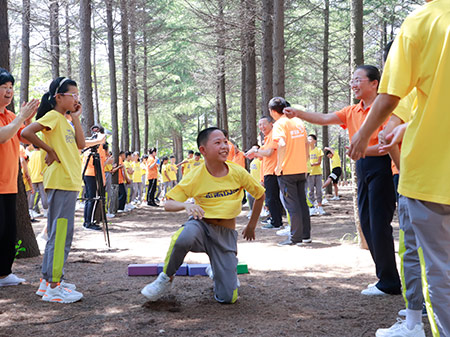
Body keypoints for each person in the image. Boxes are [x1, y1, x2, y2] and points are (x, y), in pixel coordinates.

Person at [348, 1, 450, 334]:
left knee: (432, 267)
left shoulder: (422, 22)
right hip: (416, 176)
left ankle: (414, 322)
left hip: (427, 178)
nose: (354, 83)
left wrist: (364, 137)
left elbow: (391, 108)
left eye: (358, 79)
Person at [285, 66, 401, 296]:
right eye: (352, 80)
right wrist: (298, 113)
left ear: (374, 83)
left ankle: (390, 282)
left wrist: (361, 149)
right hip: (362, 165)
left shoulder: (386, 108)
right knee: (367, 224)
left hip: (382, 168)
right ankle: (384, 279)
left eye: (358, 80)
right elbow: (324, 118)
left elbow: (387, 145)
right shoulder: (352, 111)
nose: (353, 84)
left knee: (379, 224)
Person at [140, 127, 265, 303]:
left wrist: (252, 225)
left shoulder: (238, 172)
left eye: (225, 142)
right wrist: (185, 205)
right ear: (203, 150)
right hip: (201, 227)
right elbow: (168, 203)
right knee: (182, 238)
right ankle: (165, 279)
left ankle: (217, 270)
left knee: (228, 298)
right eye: (217, 142)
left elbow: (260, 195)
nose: (224, 146)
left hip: (225, 234)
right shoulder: (195, 175)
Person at [21, 77, 85, 303]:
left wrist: (75, 118)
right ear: (59, 97)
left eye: (77, 95)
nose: (77, 98)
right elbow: (26, 132)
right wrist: (48, 150)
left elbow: (81, 144)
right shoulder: (52, 117)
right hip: (61, 181)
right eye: (73, 95)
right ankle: (54, 288)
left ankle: (48, 281)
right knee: (61, 237)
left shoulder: (64, 120)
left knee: (57, 234)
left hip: (68, 182)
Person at [0, 68, 39, 287]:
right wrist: (21, 118)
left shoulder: (11, 116)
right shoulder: (9, 119)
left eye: (11, 88)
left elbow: (24, 138)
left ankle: (4, 274)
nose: (9, 92)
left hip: (9, 183)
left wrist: (29, 119)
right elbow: (4, 136)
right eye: (4, 87)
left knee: (8, 232)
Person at [267, 97, 311, 246]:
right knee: (302, 203)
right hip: (300, 168)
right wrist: (305, 163)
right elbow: (306, 144)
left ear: (273, 112)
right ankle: (305, 235)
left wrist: (279, 165)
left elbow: (282, 143)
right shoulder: (298, 121)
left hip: (287, 170)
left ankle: (295, 238)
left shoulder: (279, 124)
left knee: (292, 205)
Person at [245, 115, 284, 229]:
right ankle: (275, 219)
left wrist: (256, 150)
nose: (261, 127)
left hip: (272, 171)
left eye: (264, 124)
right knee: (271, 198)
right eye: (260, 125)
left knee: (272, 198)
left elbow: (269, 153)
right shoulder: (266, 138)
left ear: (271, 123)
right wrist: (255, 154)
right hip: (267, 171)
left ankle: (276, 222)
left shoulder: (273, 135)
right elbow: (264, 156)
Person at [307, 134, 325, 215]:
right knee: (310, 191)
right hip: (309, 173)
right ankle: (312, 207)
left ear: (315, 141)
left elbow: (319, 162)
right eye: (308, 139)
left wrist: (312, 164)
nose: (309, 141)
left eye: (310, 139)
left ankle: (320, 206)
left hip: (318, 173)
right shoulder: (306, 150)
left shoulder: (318, 150)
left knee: (319, 190)